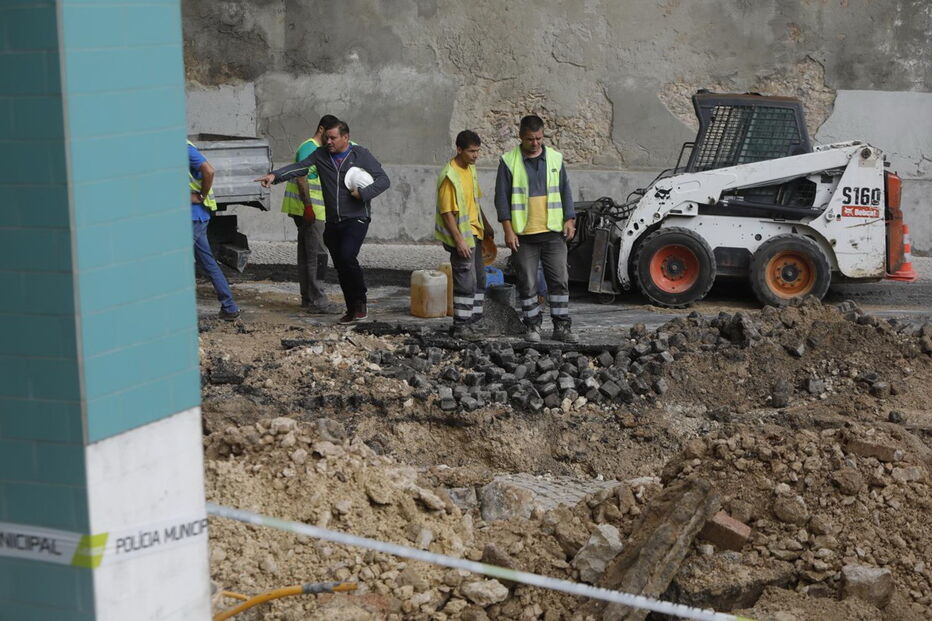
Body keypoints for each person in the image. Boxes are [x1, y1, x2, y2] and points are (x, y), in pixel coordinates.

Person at [256, 120, 390, 324]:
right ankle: (351, 308)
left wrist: (363, 193)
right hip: (333, 221)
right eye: (327, 137)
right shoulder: (321, 155)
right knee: (340, 265)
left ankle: (361, 301)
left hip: (357, 218)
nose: (328, 141)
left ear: (346, 137)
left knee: (347, 256)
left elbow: (383, 180)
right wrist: (275, 176)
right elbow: (300, 168)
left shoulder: (360, 154)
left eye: (333, 138)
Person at [494, 115, 577, 343]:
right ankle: (533, 326)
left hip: (553, 233)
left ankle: (562, 327)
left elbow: (565, 191)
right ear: (521, 137)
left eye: (539, 138)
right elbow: (502, 199)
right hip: (524, 235)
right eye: (530, 139)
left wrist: (569, 219)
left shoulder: (555, 159)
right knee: (527, 282)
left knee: (559, 280)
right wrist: (508, 230)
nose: (536, 143)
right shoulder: (509, 161)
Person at [435, 130, 493, 339]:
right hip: (462, 239)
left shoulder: (470, 169)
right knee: (465, 281)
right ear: (459, 150)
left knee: (479, 279)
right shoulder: (450, 175)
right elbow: (447, 212)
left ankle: (474, 322)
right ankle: (461, 324)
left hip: (475, 234)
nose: (476, 155)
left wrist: (486, 225)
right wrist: (459, 240)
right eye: (471, 151)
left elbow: (474, 201)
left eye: (478, 151)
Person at [281, 114, 339, 314]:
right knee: (318, 255)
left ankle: (308, 299)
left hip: (309, 210)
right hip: (312, 211)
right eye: (329, 136)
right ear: (321, 130)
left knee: (307, 255)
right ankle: (318, 301)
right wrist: (308, 207)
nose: (331, 140)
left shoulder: (316, 148)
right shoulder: (310, 148)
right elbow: (301, 178)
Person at [188, 140, 241, 321]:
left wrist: (200, 196)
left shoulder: (184, 148)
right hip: (196, 216)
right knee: (208, 263)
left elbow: (209, 170)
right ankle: (229, 307)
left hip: (193, 216)